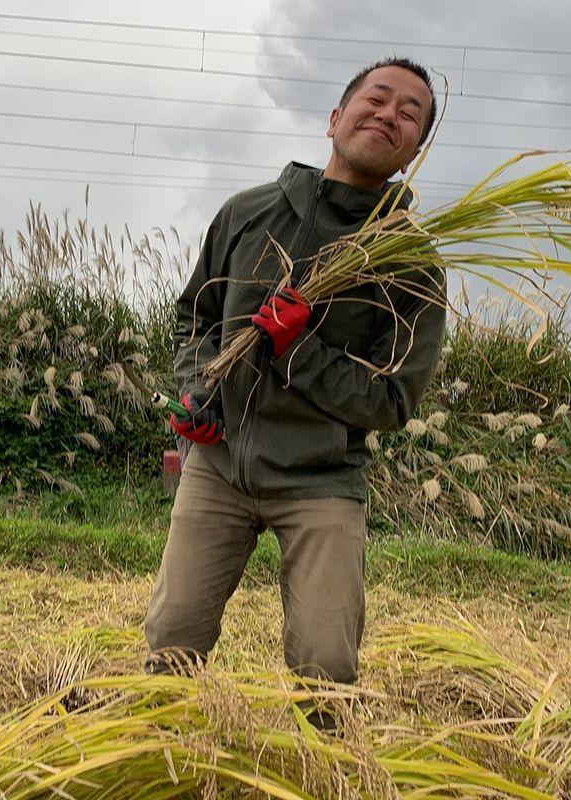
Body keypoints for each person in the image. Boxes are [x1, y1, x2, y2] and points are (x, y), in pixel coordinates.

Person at [143, 56, 447, 728]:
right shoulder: (247, 215)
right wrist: (199, 392)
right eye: (376, 98)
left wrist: (298, 352)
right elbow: (194, 314)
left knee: (326, 668)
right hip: (219, 470)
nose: (388, 114)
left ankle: (329, 770)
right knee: (170, 641)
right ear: (335, 118)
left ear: (412, 155)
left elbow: (392, 402)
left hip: (321, 482)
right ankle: (155, 751)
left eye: (409, 113)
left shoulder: (409, 260)